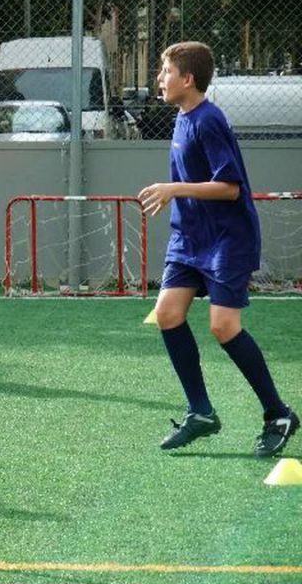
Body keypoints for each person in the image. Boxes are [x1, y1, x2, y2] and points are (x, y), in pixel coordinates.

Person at [138, 41, 298, 457]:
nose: (160, 78)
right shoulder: (182, 117)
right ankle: (201, 412)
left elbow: (230, 188)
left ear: (187, 79)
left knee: (223, 327)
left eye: (166, 71)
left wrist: (174, 189)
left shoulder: (210, 120)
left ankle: (278, 414)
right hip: (188, 238)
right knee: (169, 314)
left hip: (228, 239)